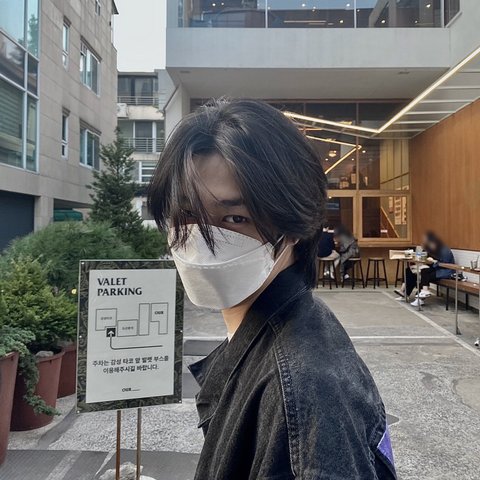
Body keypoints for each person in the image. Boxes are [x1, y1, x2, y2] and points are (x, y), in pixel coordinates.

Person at [148, 98, 396, 480]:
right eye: (187, 214)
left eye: (235, 218)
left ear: (294, 226)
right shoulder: (284, 335)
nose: (203, 241)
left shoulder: (304, 391)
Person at [403, 231, 454, 307]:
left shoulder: (444, 250)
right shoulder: (429, 249)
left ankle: (420, 297)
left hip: (445, 271)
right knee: (412, 270)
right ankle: (408, 294)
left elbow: (445, 264)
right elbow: (424, 259)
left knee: (424, 275)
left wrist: (433, 262)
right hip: (435, 269)